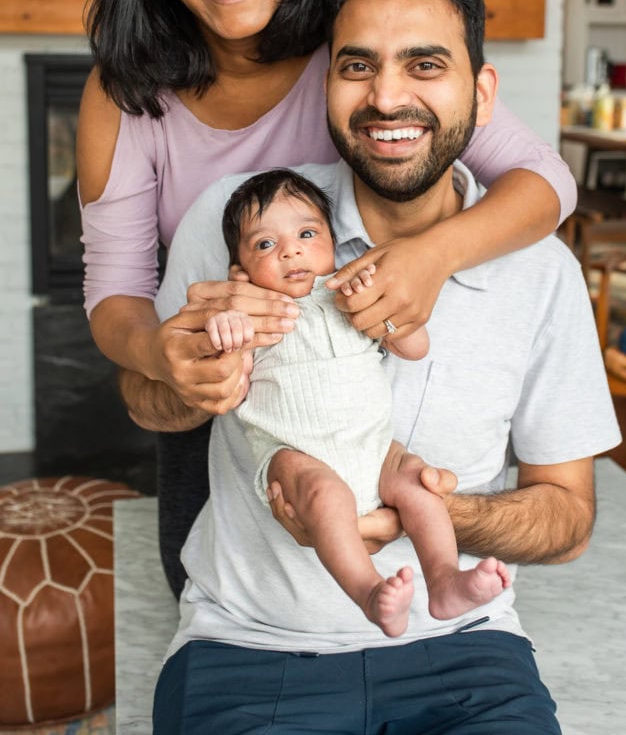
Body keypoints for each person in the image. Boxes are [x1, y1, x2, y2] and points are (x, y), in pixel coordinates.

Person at [76, 0, 578, 598]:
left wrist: (429, 257)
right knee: (214, 605)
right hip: (231, 413)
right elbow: (116, 294)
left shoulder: (356, 56)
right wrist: (162, 354)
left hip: (369, 394)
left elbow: (546, 183)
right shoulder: (125, 95)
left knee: (406, 604)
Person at [138, 0, 621, 733]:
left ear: (483, 91)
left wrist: (425, 508)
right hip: (247, 646)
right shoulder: (247, 221)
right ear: (327, 84)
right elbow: (147, 402)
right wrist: (181, 374)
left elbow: (567, 521)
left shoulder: (542, 275)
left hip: (464, 649)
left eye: (425, 65)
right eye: (357, 66)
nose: (386, 97)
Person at [206, 168, 511, 638]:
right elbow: (223, 377)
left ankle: (445, 579)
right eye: (266, 244)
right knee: (325, 496)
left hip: (374, 448)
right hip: (294, 454)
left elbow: (416, 349)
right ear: (240, 271)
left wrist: (380, 310)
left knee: (417, 483)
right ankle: (368, 592)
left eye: (307, 234)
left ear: (331, 241)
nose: (291, 250)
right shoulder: (252, 313)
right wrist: (226, 327)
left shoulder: (347, 296)